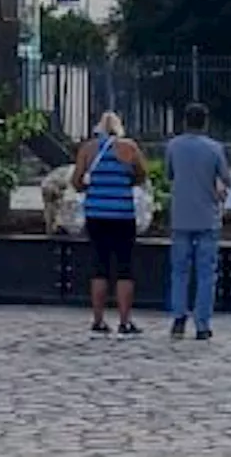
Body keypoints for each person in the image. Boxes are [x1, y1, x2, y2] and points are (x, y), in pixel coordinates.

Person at [71, 111, 147, 337]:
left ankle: (98, 319)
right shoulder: (130, 148)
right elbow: (142, 175)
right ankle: (125, 321)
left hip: (96, 214)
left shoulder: (88, 149)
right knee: (124, 266)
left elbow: (76, 181)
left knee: (99, 265)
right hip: (123, 214)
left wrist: (90, 188)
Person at [166, 102, 231, 342]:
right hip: (207, 216)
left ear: (184, 121)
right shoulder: (215, 148)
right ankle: (202, 323)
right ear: (205, 122)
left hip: (181, 215)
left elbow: (169, 175)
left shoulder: (173, 146)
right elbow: (226, 178)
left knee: (179, 270)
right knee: (206, 272)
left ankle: (178, 317)